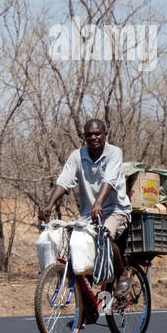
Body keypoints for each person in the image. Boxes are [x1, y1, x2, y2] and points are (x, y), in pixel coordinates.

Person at [38, 117, 131, 302]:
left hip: (115, 210)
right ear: (84, 137)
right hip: (89, 214)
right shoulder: (77, 156)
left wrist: (98, 202)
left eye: (98, 133)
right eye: (89, 135)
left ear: (105, 134)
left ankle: (122, 274)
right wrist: (49, 204)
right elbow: (64, 181)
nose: (94, 137)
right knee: (73, 245)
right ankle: (87, 305)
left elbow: (109, 181)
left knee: (103, 236)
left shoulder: (114, 153)